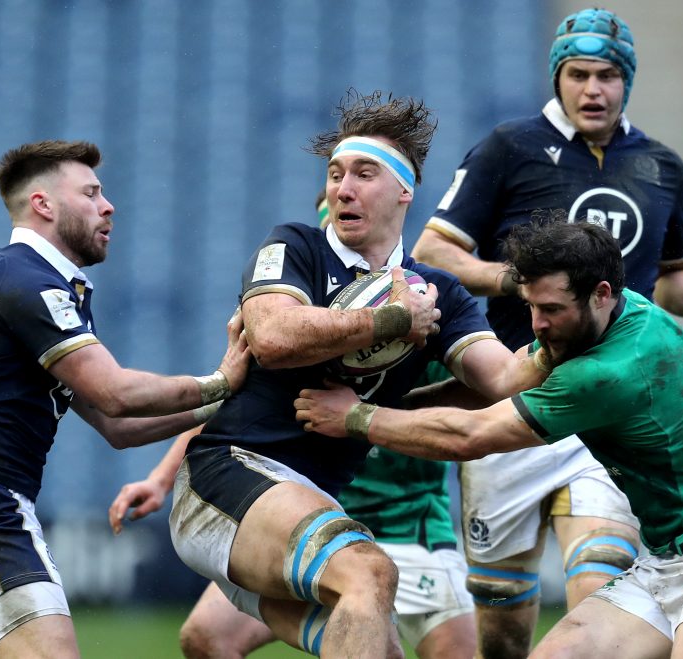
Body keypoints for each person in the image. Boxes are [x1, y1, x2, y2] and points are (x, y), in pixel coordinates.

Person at [297, 220, 683, 659]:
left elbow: (472, 436)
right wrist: (396, 402)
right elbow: (509, 378)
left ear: (601, 292)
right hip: (666, 560)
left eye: (551, 309)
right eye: (531, 307)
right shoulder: (623, 314)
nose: (537, 325)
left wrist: (357, 417)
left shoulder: (608, 372)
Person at [164, 90, 537, 658]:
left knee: (375, 643)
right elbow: (272, 335)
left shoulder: (441, 293)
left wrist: (578, 321)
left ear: (405, 191)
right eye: (337, 174)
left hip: (310, 497)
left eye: (365, 173)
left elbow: (506, 381)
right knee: (368, 572)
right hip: (228, 474)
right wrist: (390, 319)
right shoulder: (295, 246)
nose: (344, 187)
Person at [410, 8, 683, 656]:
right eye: (578, 73)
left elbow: (658, 279)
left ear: (626, 81)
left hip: (604, 407)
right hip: (513, 394)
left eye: (607, 75)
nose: (592, 89)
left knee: (601, 579)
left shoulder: (662, 166)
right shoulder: (510, 147)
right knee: (500, 628)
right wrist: (519, 283)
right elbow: (434, 251)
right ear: (558, 77)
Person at [0, 140, 251, 659]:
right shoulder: (27, 280)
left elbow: (120, 428)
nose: (107, 206)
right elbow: (115, 394)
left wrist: (220, 405)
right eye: (90, 193)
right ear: (44, 204)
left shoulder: (39, 283)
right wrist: (222, 381)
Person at [107, 199, 475, 659]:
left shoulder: (422, 312)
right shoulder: (299, 319)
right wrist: (161, 479)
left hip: (407, 525)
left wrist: (360, 417)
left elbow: (472, 413)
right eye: (329, 226)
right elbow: (233, 405)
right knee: (206, 635)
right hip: (293, 514)